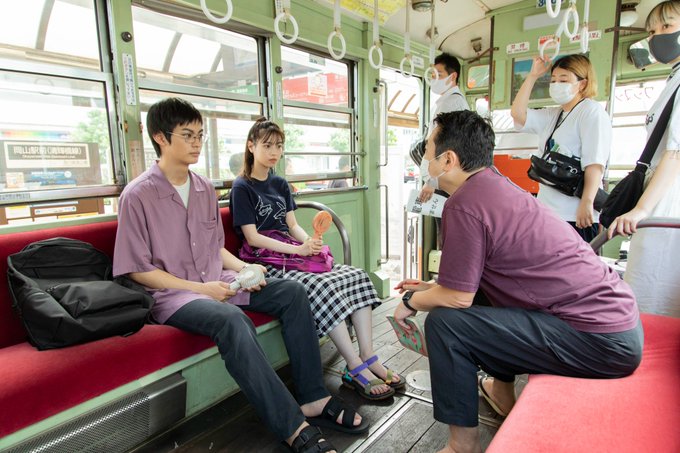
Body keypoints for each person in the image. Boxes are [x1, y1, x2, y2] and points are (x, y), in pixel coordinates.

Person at [113, 98, 369, 453]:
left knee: (293, 292)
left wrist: (244, 268)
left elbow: (214, 248)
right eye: (187, 135)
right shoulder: (137, 195)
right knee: (232, 320)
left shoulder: (203, 188)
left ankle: (313, 397)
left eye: (200, 135)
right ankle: (291, 425)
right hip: (174, 295)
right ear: (160, 137)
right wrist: (203, 288)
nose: (196, 143)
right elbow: (138, 270)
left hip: (218, 279)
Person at [393, 110, 642, 453]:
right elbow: (475, 280)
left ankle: (461, 445)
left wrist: (411, 302)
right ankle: (501, 392)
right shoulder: (493, 184)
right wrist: (430, 289)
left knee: (444, 324)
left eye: (428, 149)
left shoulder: (464, 204)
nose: (425, 158)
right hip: (617, 326)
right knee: (477, 293)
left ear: (447, 160)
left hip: (600, 340)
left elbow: (458, 298)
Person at [230, 118, 404, 400]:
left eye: (279, 146)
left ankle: (368, 355)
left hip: (289, 250)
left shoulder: (280, 183)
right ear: (251, 146)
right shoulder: (242, 187)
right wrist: (298, 251)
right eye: (267, 145)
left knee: (356, 275)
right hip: (265, 259)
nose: (274, 152)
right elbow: (253, 237)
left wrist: (307, 243)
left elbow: (292, 225)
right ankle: (353, 365)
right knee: (322, 286)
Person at [608, 0, 680, 318]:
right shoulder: (673, 80)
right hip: (660, 197)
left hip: (667, 203)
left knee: (653, 297)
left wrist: (642, 210)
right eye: (651, 31)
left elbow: (675, 153)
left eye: (667, 26)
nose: (657, 36)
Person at [511, 54, 611, 242]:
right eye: (553, 80)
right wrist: (533, 76)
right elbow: (518, 113)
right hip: (548, 212)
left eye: (563, 80)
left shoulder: (591, 112)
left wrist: (587, 202)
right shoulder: (555, 114)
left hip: (574, 214)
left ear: (582, 84)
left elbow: (595, 162)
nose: (557, 85)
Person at [418, 52, 469, 203]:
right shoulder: (449, 101)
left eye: (439, 75)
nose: (434, 79)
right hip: (444, 174)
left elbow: (445, 145)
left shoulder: (451, 104)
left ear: (453, 76)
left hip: (444, 175)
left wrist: (431, 181)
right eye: (433, 75)